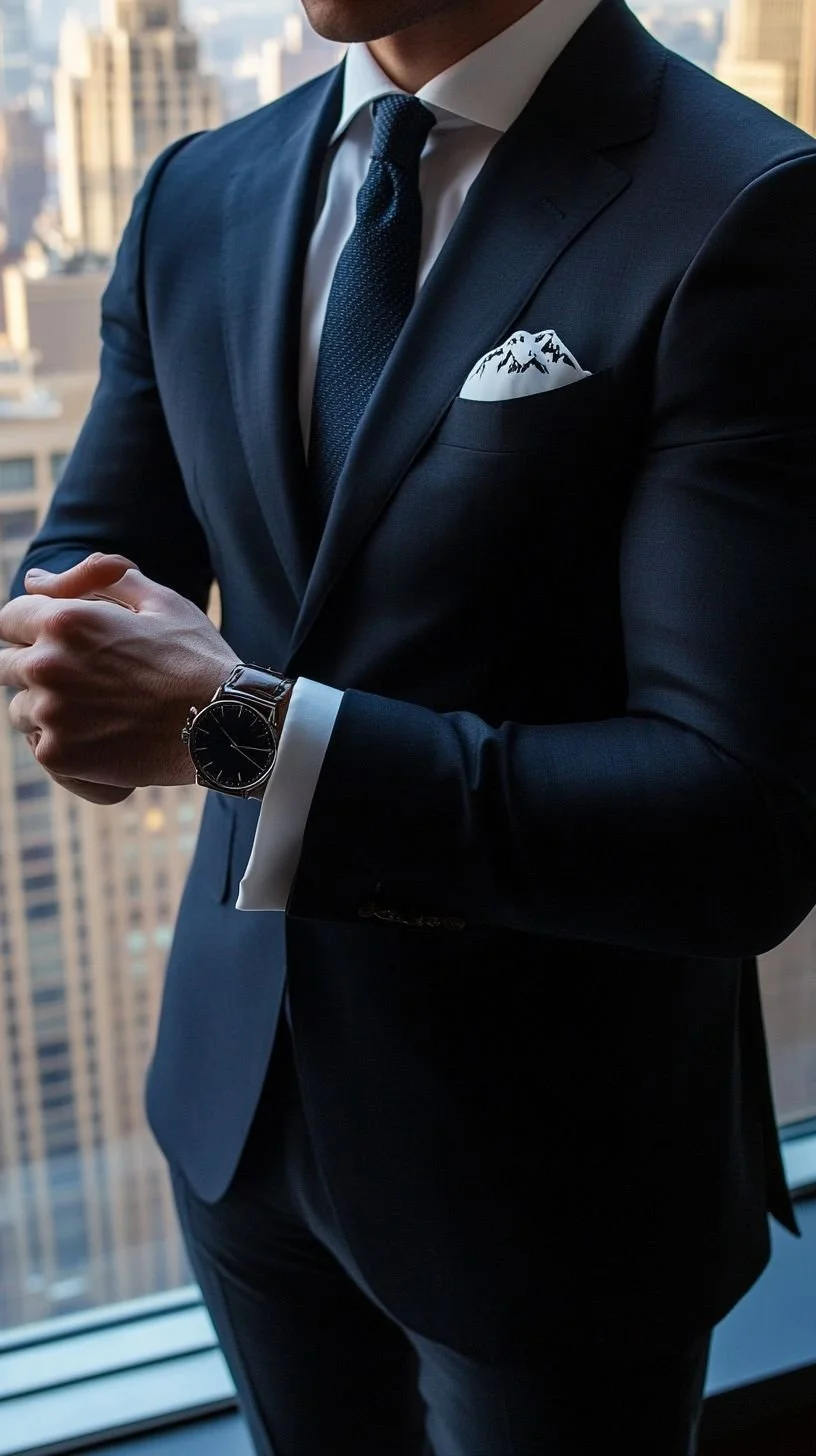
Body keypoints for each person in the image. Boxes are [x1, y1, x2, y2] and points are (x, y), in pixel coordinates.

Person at [2, 0, 816, 1449]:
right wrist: (74, 663)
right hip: (236, 1104)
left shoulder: (749, 207)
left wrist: (232, 720)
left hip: (555, 1164)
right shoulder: (201, 188)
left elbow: (732, 823)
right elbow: (75, 581)